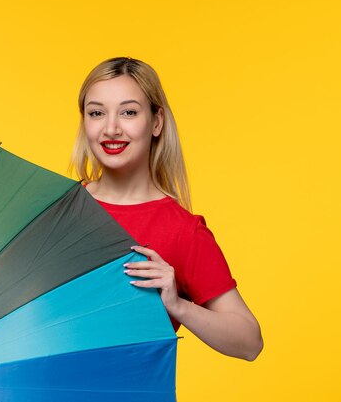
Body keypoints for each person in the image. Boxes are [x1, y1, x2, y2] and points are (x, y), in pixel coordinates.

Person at [71, 57, 263, 361]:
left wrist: (178, 305)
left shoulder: (183, 231)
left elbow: (249, 342)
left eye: (129, 112)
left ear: (156, 122)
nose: (111, 128)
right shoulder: (60, 209)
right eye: (96, 113)